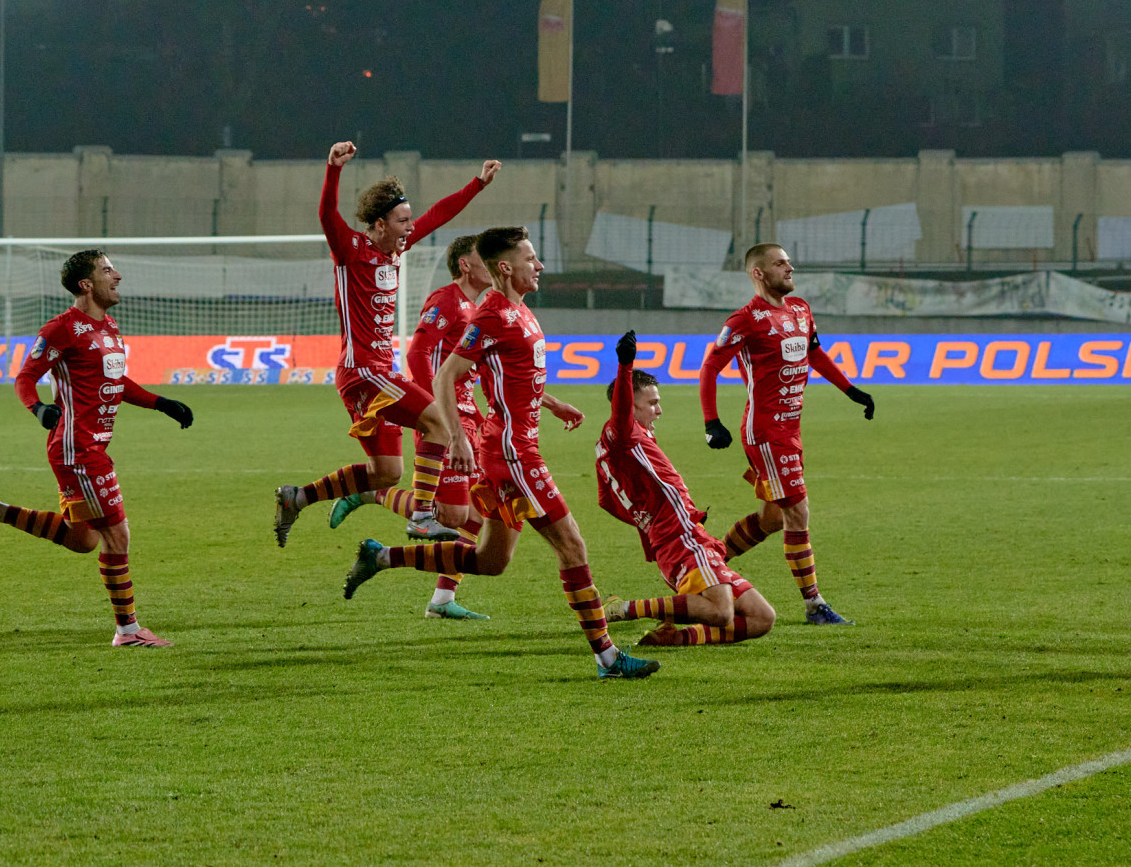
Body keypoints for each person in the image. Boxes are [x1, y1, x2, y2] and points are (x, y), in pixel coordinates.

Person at [342, 226, 659, 679]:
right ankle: (607, 657)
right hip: (513, 456)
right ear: (506, 267)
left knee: (491, 561)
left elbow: (507, 375)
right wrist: (455, 436)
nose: (540, 265)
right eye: (531, 258)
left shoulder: (520, 311)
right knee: (572, 548)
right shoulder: (492, 314)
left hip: (511, 448)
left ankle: (380, 556)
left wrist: (549, 402)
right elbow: (443, 376)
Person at [0, 250, 194, 647]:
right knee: (117, 535)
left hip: (90, 448)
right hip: (78, 451)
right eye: (107, 270)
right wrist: (37, 409)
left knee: (83, 539)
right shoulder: (61, 329)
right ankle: (129, 631)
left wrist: (161, 403)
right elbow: (24, 377)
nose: (117, 276)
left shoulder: (110, 327)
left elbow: (117, 383)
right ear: (86, 284)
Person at [273, 141, 498, 548]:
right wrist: (333, 169)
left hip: (379, 374)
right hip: (364, 372)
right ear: (378, 224)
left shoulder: (396, 250)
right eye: (402, 221)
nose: (411, 227)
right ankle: (423, 516)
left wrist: (477, 185)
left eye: (409, 220)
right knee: (440, 424)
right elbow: (326, 214)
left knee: (387, 472)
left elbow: (438, 215)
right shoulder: (350, 251)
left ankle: (298, 497)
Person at [698, 242, 874, 625]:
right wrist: (712, 421)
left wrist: (852, 391)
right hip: (765, 433)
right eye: (780, 264)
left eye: (789, 262)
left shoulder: (800, 309)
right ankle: (814, 605)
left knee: (772, 519)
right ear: (759, 273)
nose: (790, 268)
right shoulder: (744, 320)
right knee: (798, 511)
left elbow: (814, 354)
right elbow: (710, 367)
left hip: (791, 430)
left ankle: (707, 563)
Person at [328, 234, 492, 620]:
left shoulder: (478, 307)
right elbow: (418, 352)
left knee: (478, 514)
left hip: (468, 418)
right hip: (445, 420)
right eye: (482, 257)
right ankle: (371, 494)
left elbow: (475, 368)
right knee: (453, 516)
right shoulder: (447, 300)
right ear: (465, 264)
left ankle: (441, 601)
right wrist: (435, 411)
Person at [597, 331, 776, 647]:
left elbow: (605, 501)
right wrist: (625, 365)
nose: (659, 410)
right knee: (722, 613)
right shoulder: (623, 432)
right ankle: (623, 609)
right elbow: (621, 410)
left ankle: (678, 636)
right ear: (629, 405)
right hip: (682, 540)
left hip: (684, 537)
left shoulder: (614, 447)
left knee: (763, 618)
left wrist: (647, 521)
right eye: (652, 403)